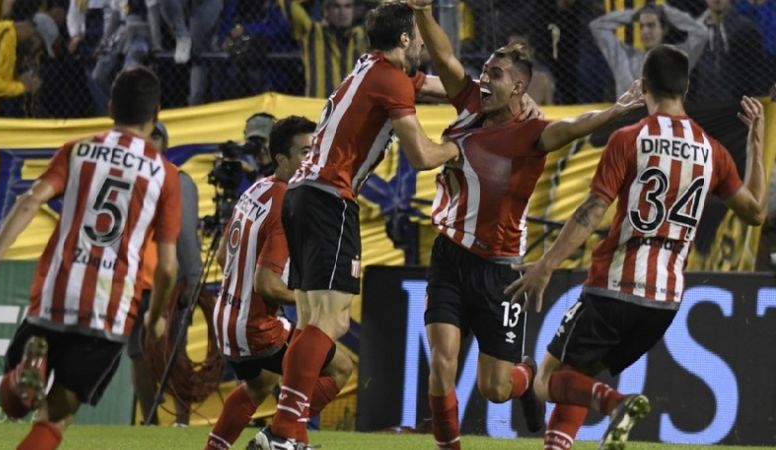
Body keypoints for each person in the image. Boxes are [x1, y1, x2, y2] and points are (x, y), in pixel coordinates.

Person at [504, 45, 766, 450]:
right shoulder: (713, 151)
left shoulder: (631, 138)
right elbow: (755, 212)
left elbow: (592, 210)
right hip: (664, 302)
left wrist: (549, 263)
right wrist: (756, 142)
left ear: (643, 85)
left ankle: (617, 404)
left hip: (614, 286)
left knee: (545, 381)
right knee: (580, 373)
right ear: (687, 87)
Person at [408, 2, 644, 449]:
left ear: (519, 86)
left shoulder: (533, 133)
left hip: (500, 271)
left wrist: (616, 110)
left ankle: (526, 375)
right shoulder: (471, 102)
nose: (485, 78)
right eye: (486, 71)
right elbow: (445, 60)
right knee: (441, 362)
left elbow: (574, 127)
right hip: (449, 256)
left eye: (496, 74)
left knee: (495, 388)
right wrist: (422, 12)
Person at [250, 3, 462, 449]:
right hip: (330, 199)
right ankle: (282, 433)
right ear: (404, 40)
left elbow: (442, 88)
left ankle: (292, 434)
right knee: (333, 321)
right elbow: (422, 155)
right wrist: (454, 150)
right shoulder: (390, 79)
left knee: (313, 320)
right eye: (419, 39)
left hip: (303, 197)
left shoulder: (371, 66)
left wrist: (484, 99)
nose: (424, 46)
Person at [0, 66, 182, 449]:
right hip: (111, 307)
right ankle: (27, 377)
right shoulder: (163, 174)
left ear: (109, 108)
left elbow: (29, 200)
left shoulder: (79, 150)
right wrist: (155, 319)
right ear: (156, 114)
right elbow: (168, 266)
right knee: (53, 420)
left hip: (56, 292)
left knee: (16, 405)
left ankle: (25, 372)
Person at [204, 115, 354, 450]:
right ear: (282, 160)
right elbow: (267, 285)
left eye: (314, 151)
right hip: (256, 327)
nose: (311, 159)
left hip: (227, 318)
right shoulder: (288, 202)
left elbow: (220, 258)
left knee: (261, 385)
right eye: (304, 152)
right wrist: (309, 296)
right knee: (341, 368)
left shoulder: (256, 188)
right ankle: (279, 437)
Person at [128, 121, 201, 427]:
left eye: (157, 136)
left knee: (176, 353)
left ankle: (182, 420)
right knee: (137, 354)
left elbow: (186, 235)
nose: (151, 141)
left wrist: (193, 279)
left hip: (169, 280)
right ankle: (150, 421)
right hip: (132, 281)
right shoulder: (127, 179)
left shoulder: (178, 179)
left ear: (165, 143)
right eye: (147, 135)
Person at [590, 2, 708, 98]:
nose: (645, 31)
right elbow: (597, 26)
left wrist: (666, 12)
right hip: (630, 121)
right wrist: (634, 15)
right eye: (642, 26)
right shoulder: (623, 56)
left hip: (665, 123)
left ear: (664, 29)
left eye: (651, 25)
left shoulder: (677, 57)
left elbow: (701, 33)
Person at [280, 0, 367, 98]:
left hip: (352, 108)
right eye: (336, 6)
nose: (343, 12)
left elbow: (386, 9)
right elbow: (288, 3)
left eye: (348, 6)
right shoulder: (312, 32)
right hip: (317, 107)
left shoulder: (360, 35)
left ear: (353, 11)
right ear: (326, 11)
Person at [0, 12, 59, 115]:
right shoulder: (0, 34)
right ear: (34, 37)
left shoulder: (12, 43)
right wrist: (23, 87)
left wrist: (17, 80)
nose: (38, 52)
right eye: (41, 47)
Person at [690, 0, 767, 101]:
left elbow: (756, 72)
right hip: (701, 102)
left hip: (736, 103)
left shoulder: (745, 29)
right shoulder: (695, 30)